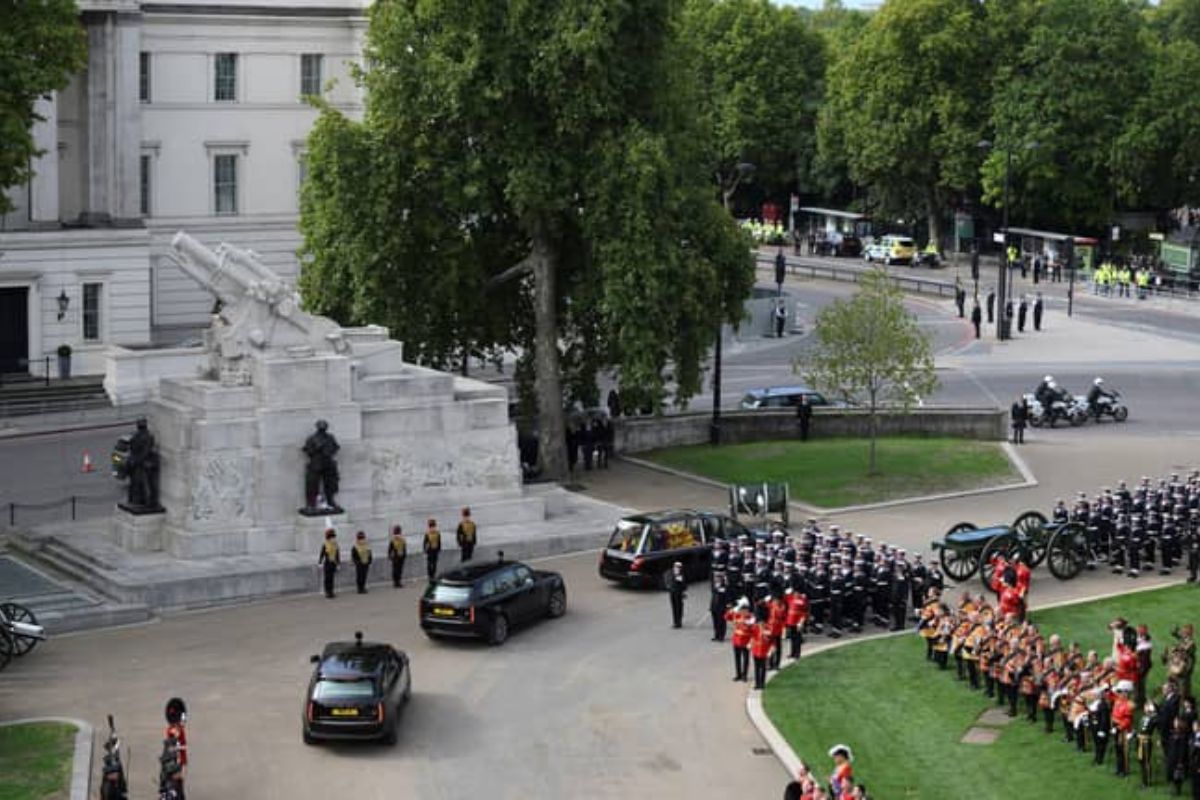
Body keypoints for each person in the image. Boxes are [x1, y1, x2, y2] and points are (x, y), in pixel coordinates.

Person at [727, 598, 753, 682]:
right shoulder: (736, 615)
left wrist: (751, 641)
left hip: (746, 641)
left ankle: (744, 675)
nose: (742, 611)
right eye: (741, 609)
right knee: (737, 658)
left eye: (744, 609)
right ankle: (738, 674)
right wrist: (731, 611)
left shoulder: (750, 618)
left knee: (745, 659)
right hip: (736, 640)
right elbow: (726, 617)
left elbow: (753, 631)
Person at [750, 615, 773, 689]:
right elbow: (752, 636)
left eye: (762, 622)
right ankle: (757, 684)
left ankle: (762, 684)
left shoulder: (768, 628)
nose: (761, 624)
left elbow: (771, 641)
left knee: (763, 668)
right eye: (759, 622)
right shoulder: (755, 628)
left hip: (764, 651)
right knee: (756, 668)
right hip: (756, 650)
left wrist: (770, 651)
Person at [318, 528, 339, 599]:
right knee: (327, 578)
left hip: (333, 563)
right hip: (327, 563)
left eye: (333, 537)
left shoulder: (336, 545)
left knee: (332, 578)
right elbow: (322, 554)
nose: (333, 539)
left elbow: (337, 554)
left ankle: (331, 591)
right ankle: (327, 591)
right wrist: (320, 562)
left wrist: (338, 563)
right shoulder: (325, 545)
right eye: (331, 537)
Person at [710, 572, 729, 642]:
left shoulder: (724, 586)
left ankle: (722, 635)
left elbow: (726, 596)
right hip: (714, 606)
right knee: (715, 621)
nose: (716, 579)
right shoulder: (714, 585)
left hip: (721, 606)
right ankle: (716, 635)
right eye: (715, 578)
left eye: (718, 578)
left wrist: (727, 605)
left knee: (721, 621)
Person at [667, 561, 687, 629]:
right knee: (674, 607)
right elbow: (668, 580)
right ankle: (675, 621)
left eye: (679, 567)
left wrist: (683, 592)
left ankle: (679, 622)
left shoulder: (681, 574)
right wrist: (668, 586)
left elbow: (684, 584)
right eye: (676, 567)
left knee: (679, 607)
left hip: (679, 593)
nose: (677, 568)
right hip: (672, 592)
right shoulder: (671, 573)